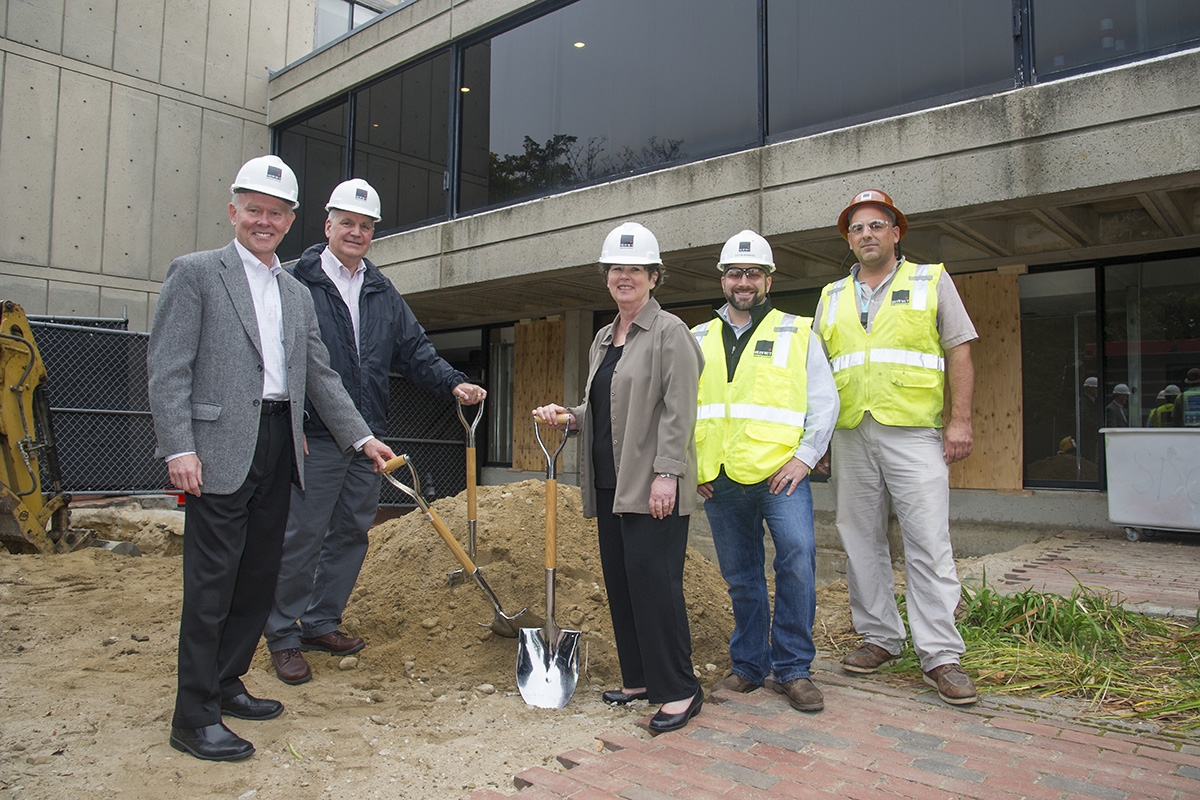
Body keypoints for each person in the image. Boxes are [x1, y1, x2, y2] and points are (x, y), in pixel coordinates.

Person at [147, 155, 395, 762]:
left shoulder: (295, 291)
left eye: (277, 213)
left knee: (258, 578)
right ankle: (193, 714)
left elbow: (320, 377)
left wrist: (361, 438)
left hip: (281, 445)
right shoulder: (196, 273)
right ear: (234, 212)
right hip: (215, 451)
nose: (265, 220)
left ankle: (227, 682)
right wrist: (179, 446)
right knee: (212, 583)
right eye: (254, 209)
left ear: (290, 221)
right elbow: (168, 366)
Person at [264, 179, 486, 685]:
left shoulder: (381, 290)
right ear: (328, 225)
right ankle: (281, 633)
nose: (356, 232)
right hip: (315, 436)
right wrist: (289, 423)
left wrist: (455, 384)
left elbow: (415, 351)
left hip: (369, 438)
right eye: (347, 222)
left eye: (365, 226)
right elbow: (278, 361)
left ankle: (321, 622)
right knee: (302, 535)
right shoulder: (295, 281)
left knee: (349, 534)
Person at [532, 222, 704, 733]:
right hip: (610, 483)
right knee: (624, 583)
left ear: (654, 277)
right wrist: (572, 416)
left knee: (657, 585)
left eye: (635, 269)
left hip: (652, 484)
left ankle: (680, 690)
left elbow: (680, 410)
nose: (624, 277)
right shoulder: (606, 337)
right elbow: (605, 405)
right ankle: (640, 679)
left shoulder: (671, 332)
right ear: (606, 277)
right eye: (616, 269)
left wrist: (667, 475)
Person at [813, 189, 979, 706]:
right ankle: (881, 637)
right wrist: (814, 437)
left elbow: (960, 350)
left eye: (877, 225)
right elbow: (816, 373)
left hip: (913, 431)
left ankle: (941, 655)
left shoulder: (931, 280)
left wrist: (961, 420)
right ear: (849, 238)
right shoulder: (831, 295)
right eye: (857, 227)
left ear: (896, 232)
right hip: (849, 433)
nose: (867, 234)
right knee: (860, 536)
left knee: (927, 538)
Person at [692, 231, 838, 712]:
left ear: (768, 279)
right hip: (720, 478)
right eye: (735, 273)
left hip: (782, 476)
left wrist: (805, 457)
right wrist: (693, 467)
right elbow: (678, 408)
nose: (744, 281)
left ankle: (793, 669)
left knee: (797, 559)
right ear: (723, 279)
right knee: (741, 576)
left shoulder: (799, 332)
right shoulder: (697, 339)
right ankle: (749, 666)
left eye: (753, 273)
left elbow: (824, 402)